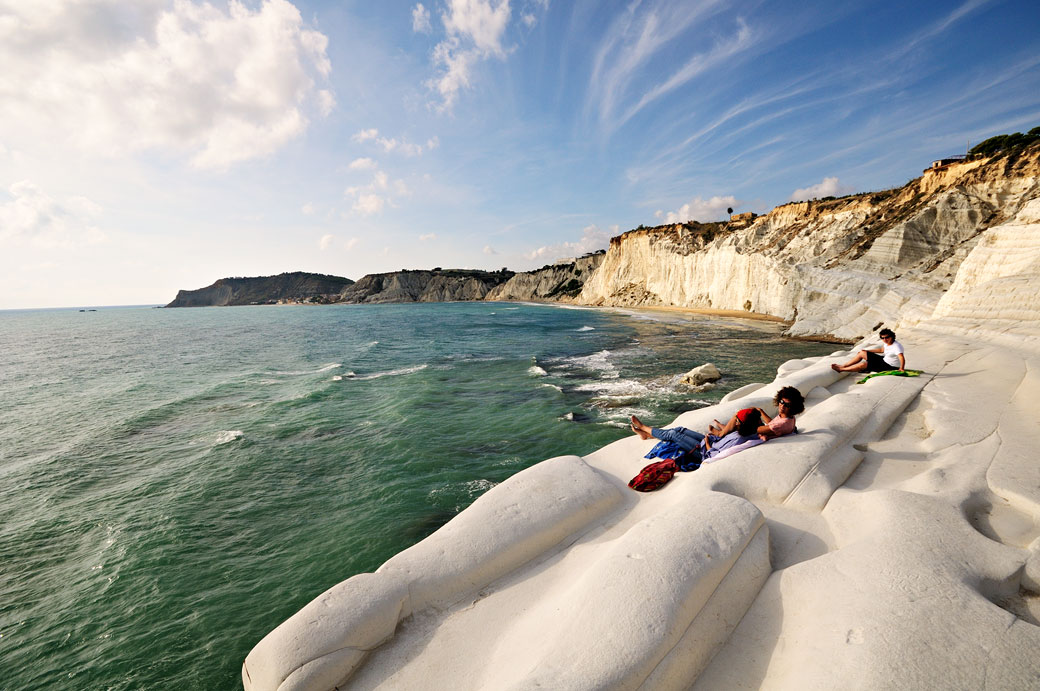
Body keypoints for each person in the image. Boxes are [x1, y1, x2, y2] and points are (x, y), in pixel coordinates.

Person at [630, 385, 805, 457]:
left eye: (786, 405)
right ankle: (648, 436)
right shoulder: (786, 419)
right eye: (781, 402)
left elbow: (713, 454)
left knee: (674, 433)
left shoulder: (780, 425)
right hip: (715, 441)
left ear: (794, 407)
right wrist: (760, 413)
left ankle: (644, 427)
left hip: (702, 451)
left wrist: (712, 438)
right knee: (680, 430)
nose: (782, 406)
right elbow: (769, 425)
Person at [831, 328, 905, 373]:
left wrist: (901, 368)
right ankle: (843, 365)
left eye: (887, 337)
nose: (885, 339)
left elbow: (901, 357)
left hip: (890, 366)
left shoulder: (896, 346)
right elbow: (882, 350)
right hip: (884, 360)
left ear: (892, 336)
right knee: (862, 353)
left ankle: (842, 369)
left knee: (864, 364)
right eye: (882, 338)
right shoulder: (887, 343)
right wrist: (867, 351)